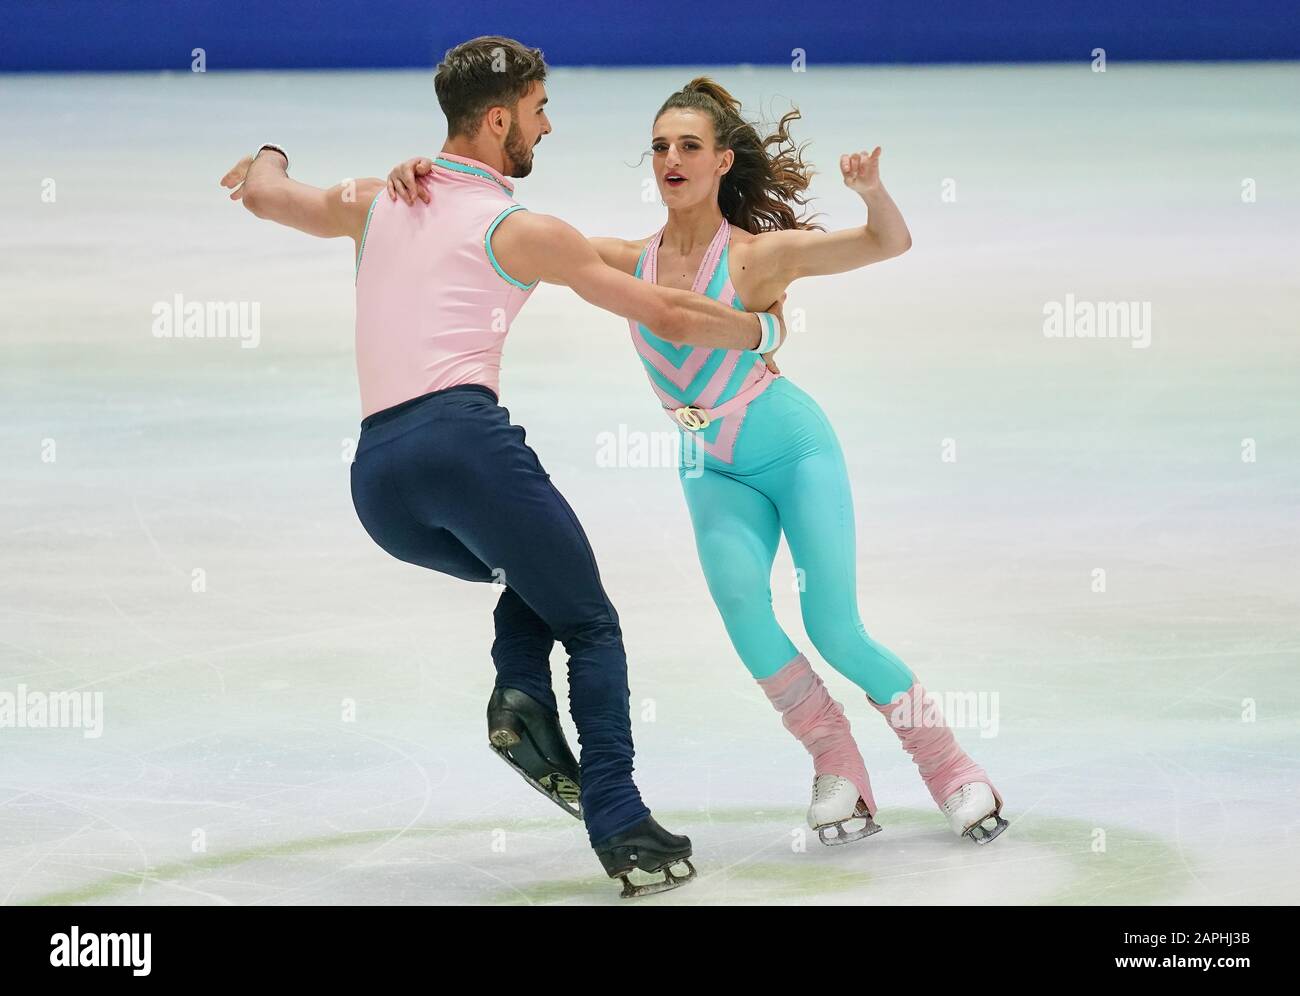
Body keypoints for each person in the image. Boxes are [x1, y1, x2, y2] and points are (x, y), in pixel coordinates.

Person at [219, 39, 786, 898]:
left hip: (378, 481)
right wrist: (766, 332)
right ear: (496, 119)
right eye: (538, 109)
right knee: (591, 623)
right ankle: (622, 825)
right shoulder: (519, 228)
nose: (546, 124)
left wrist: (269, 151)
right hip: (462, 445)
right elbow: (667, 309)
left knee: (535, 574)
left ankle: (521, 695)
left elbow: (265, 193)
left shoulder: (376, 202)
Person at [388, 77, 1007, 848]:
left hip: (793, 450)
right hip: (711, 467)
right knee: (747, 621)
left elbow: (888, 244)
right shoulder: (622, 258)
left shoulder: (756, 258)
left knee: (834, 626)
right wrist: (432, 176)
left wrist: (874, 194)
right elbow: (509, 229)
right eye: (659, 147)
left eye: (689, 146)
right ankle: (837, 765)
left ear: (721, 162)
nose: (671, 158)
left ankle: (950, 767)